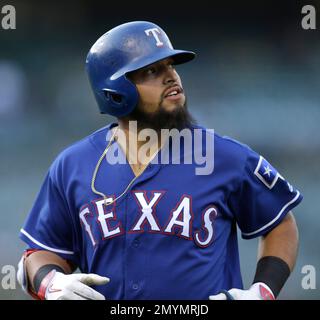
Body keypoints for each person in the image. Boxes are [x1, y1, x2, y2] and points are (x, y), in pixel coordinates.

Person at [17, 21, 303, 300]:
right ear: (114, 91)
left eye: (171, 66)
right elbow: (42, 252)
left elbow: (281, 224)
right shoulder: (72, 165)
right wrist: (50, 283)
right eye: (152, 70)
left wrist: (262, 291)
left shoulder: (225, 156)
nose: (172, 77)